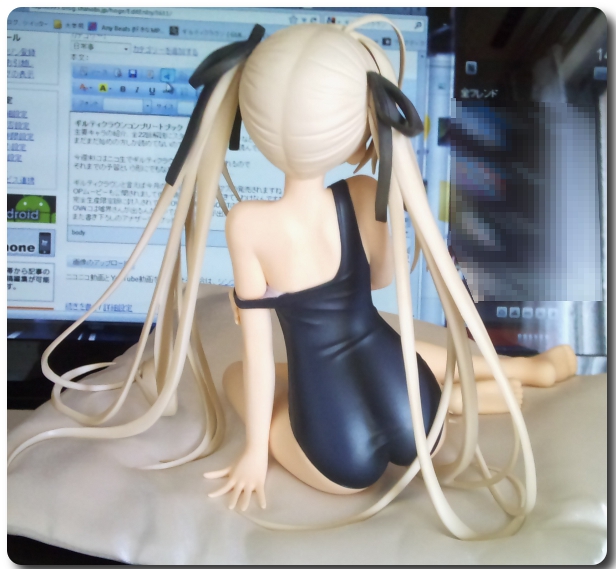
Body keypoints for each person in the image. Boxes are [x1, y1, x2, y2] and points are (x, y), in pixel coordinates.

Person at [7, 17, 576, 539]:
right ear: (364, 120)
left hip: (337, 461)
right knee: (408, 353)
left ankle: (498, 386)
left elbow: (257, 360)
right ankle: (520, 375)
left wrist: (255, 453)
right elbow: (383, 277)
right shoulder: (361, 193)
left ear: (248, 117)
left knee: (239, 374)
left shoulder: (249, 224)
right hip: (418, 415)